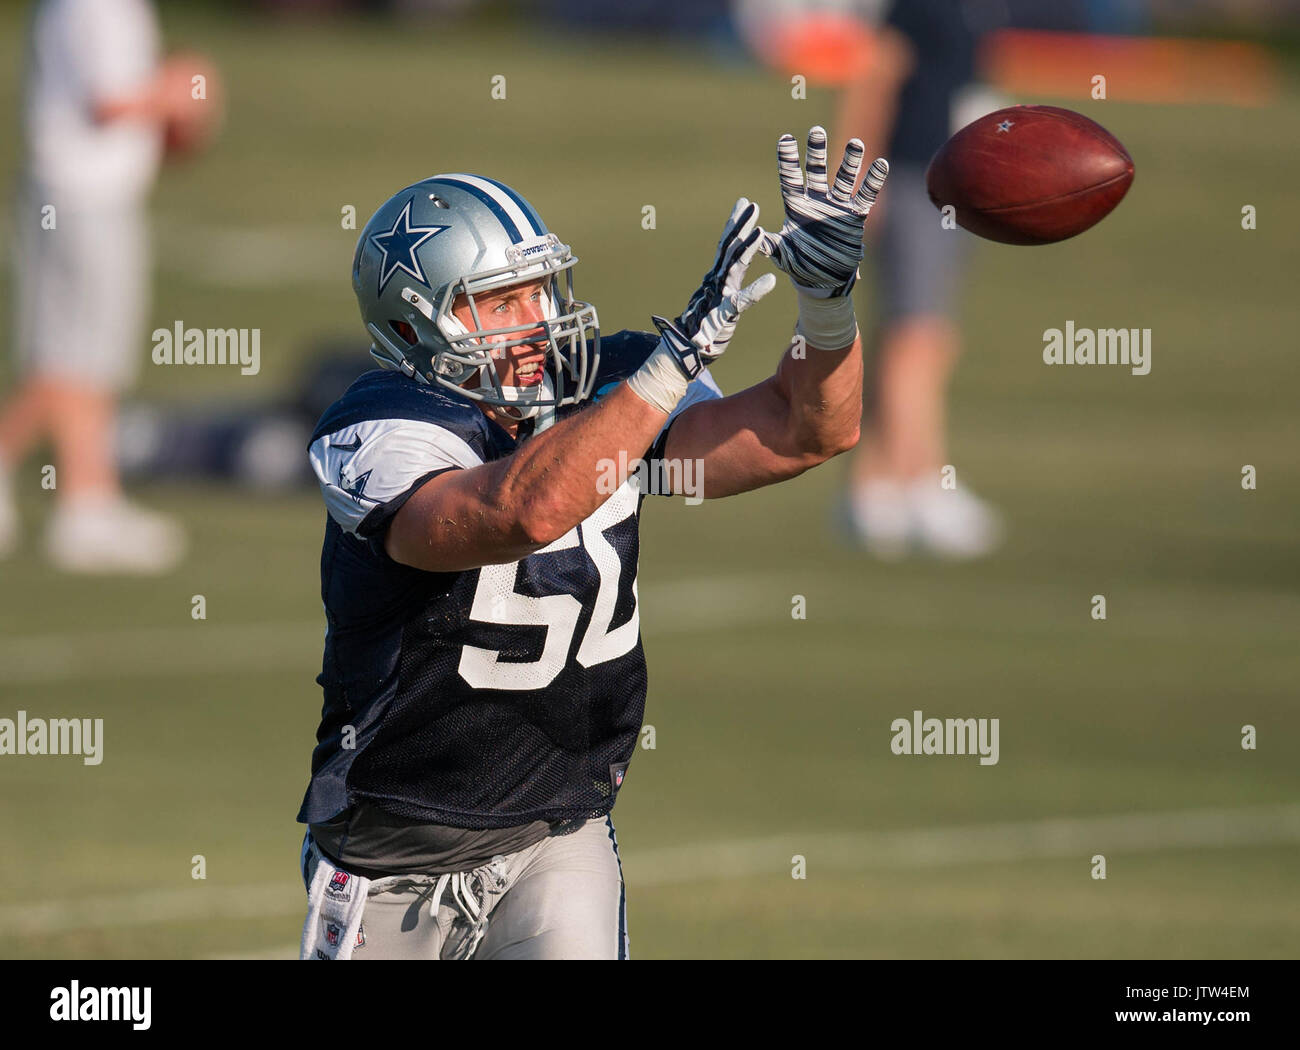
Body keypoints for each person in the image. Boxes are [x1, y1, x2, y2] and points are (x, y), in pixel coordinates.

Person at [298, 137, 889, 959]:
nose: (537, 319)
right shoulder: (383, 428)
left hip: (556, 831)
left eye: (540, 289)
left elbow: (807, 431)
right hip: (395, 847)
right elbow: (520, 511)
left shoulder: (603, 388)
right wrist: (671, 366)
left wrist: (826, 303)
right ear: (411, 322)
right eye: (500, 301)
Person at [0, 0, 219, 572]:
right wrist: (181, 86)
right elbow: (111, 101)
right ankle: (84, 504)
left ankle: (86, 499)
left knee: (83, 357)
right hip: (80, 197)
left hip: (88, 195)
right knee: (76, 355)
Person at [835, 0, 1006, 558]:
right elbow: (873, 79)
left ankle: (874, 488)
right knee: (918, 337)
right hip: (915, 179)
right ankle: (925, 484)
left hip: (959, 186)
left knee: (923, 336)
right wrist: (859, 178)